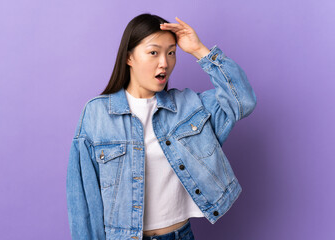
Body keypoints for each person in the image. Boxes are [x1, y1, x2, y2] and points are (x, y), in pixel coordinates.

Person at [66, 13, 257, 240]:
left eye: (171, 53)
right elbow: (84, 202)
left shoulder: (188, 106)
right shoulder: (96, 114)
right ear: (129, 57)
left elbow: (243, 101)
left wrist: (199, 50)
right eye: (153, 52)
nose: (164, 63)